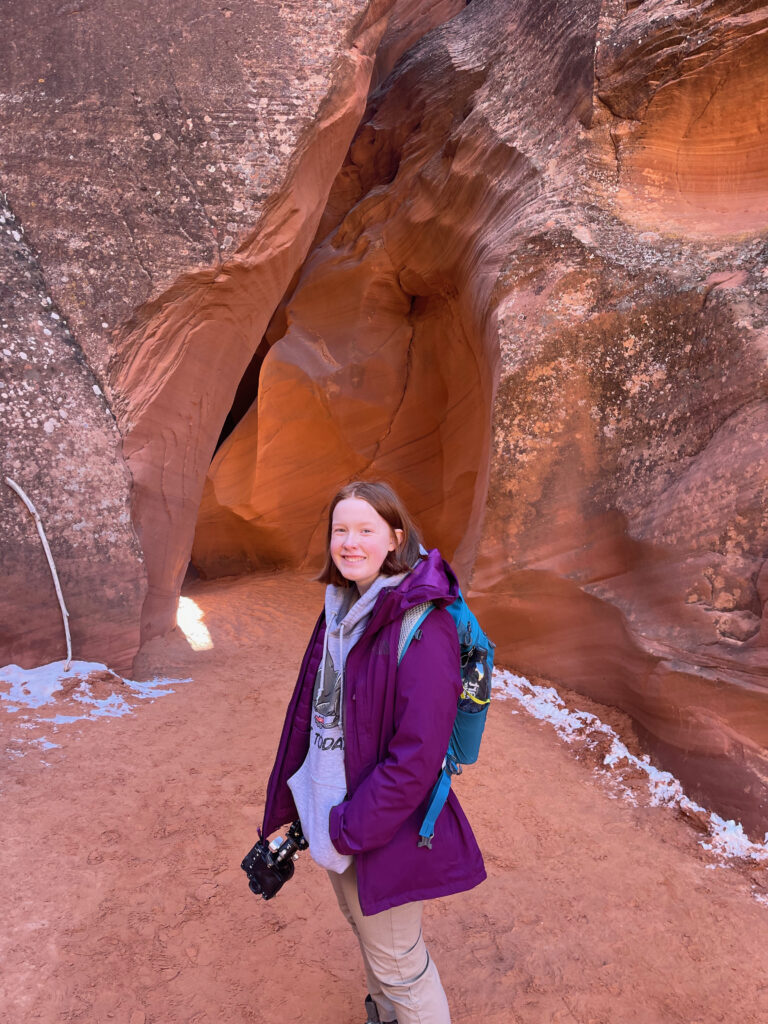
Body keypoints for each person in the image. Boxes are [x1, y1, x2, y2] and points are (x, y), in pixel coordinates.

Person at [261, 480, 486, 1024]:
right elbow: (311, 715)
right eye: (341, 529)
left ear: (395, 539)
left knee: (399, 964)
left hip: (377, 825)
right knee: (370, 938)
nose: (350, 542)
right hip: (334, 809)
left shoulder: (422, 622)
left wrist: (347, 828)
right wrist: (301, 810)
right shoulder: (341, 608)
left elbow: (416, 756)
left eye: (366, 529)